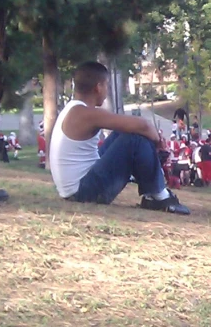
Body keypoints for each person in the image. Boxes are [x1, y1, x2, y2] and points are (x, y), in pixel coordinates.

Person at [50, 62, 189, 214]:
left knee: (124, 133)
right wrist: (158, 142)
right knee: (134, 139)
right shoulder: (85, 113)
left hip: (78, 187)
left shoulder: (73, 109)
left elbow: (133, 127)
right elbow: (143, 126)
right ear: (98, 87)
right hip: (83, 193)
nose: (107, 90)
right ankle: (160, 197)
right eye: (106, 86)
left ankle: (152, 194)